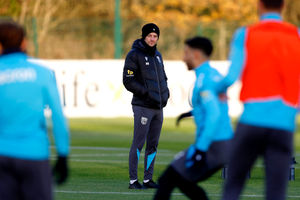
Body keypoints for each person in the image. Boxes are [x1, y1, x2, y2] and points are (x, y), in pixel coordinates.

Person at [220, 0, 300, 199]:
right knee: (276, 192)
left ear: (259, 5)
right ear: (283, 7)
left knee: (233, 186)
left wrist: (216, 90)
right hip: (283, 125)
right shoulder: (296, 36)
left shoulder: (245, 34)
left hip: (251, 122)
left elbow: (231, 77)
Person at [153, 36, 233, 200]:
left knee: (167, 180)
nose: (183, 57)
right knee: (183, 182)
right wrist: (193, 112)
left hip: (214, 145)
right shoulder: (213, 74)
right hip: (222, 144)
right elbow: (216, 107)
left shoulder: (205, 80)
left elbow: (214, 115)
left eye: (186, 52)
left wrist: (200, 150)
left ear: (196, 54)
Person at [0, 20, 70, 200]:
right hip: (34, 155)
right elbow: (58, 117)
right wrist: (63, 155)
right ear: (24, 42)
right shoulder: (42, 73)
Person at [123, 23, 169, 189]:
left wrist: (165, 94)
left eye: (155, 36)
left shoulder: (158, 55)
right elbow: (128, 80)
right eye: (149, 35)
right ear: (144, 36)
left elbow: (163, 77)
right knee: (138, 143)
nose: (152, 39)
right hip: (143, 106)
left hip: (158, 108)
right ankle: (133, 181)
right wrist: (146, 93)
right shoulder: (134, 55)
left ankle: (148, 179)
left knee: (153, 145)